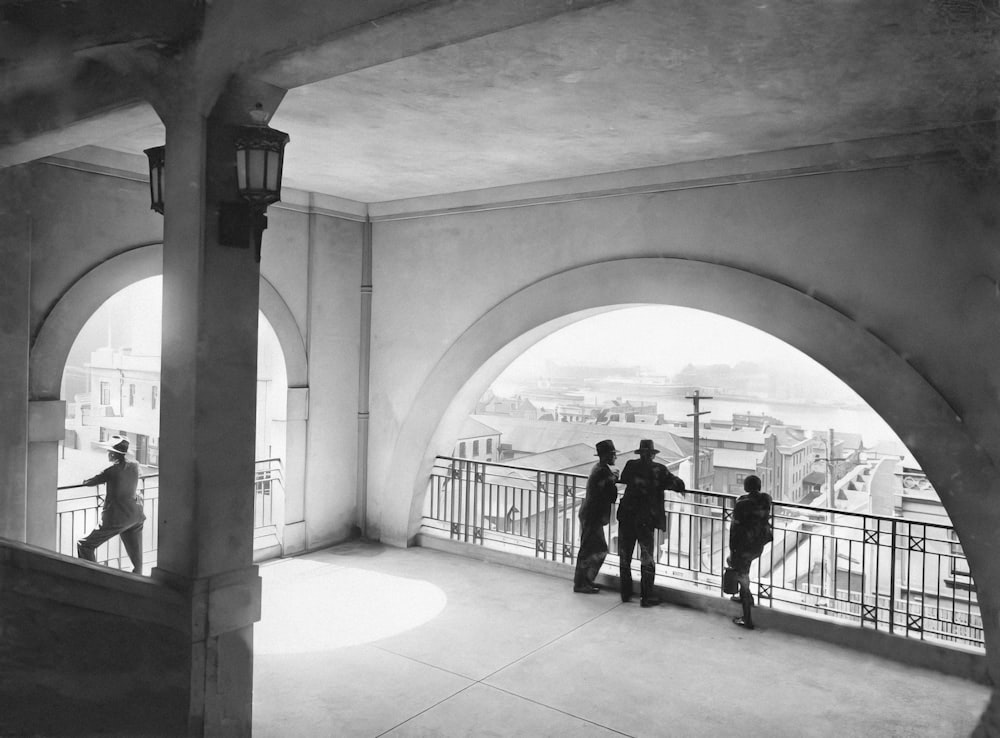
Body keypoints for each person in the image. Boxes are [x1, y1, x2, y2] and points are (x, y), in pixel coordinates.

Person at [617, 439, 686, 607]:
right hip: (645, 519)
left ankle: (625, 594)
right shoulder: (659, 470)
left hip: (627, 515)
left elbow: (623, 478)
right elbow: (677, 484)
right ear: (653, 455)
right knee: (647, 557)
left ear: (640, 453)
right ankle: (646, 596)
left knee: (625, 556)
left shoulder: (630, 465)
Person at [77, 435, 146, 574]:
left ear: (113, 454)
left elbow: (89, 482)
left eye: (109, 451)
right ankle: (139, 582)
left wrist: (85, 480)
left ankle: (93, 577)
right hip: (136, 515)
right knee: (137, 559)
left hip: (117, 517)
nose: (107, 454)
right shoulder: (135, 465)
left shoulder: (111, 471)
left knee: (84, 545)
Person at [573, 439, 621, 594]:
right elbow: (610, 493)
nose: (615, 457)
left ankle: (584, 582)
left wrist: (612, 477)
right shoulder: (602, 471)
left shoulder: (600, 469)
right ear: (606, 456)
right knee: (594, 549)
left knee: (590, 549)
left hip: (590, 515)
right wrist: (614, 478)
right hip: (592, 516)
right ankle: (582, 583)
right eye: (613, 454)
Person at [728, 474, 772, 630]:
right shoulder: (766, 499)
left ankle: (747, 619)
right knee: (741, 570)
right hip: (758, 544)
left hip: (743, 546)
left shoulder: (742, 504)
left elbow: (735, 528)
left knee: (742, 576)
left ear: (746, 487)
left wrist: (732, 549)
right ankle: (747, 597)